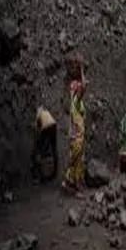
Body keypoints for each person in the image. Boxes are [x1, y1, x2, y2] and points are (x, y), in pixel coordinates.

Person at [62, 54, 88, 196]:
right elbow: (83, 86)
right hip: (76, 135)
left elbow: (83, 86)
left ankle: (74, 183)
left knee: (77, 159)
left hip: (77, 133)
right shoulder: (77, 101)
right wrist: (82, 69)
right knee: (75, 159)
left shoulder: (76, 102)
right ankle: (71, 183)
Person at [32, 106, 57, 183]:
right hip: (53, 125)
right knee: (53, 147)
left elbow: (37, 127)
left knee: (42, 148)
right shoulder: (46, 112)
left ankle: (39, 174)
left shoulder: (39, 113)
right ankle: (54, 171)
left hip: (46, 127)